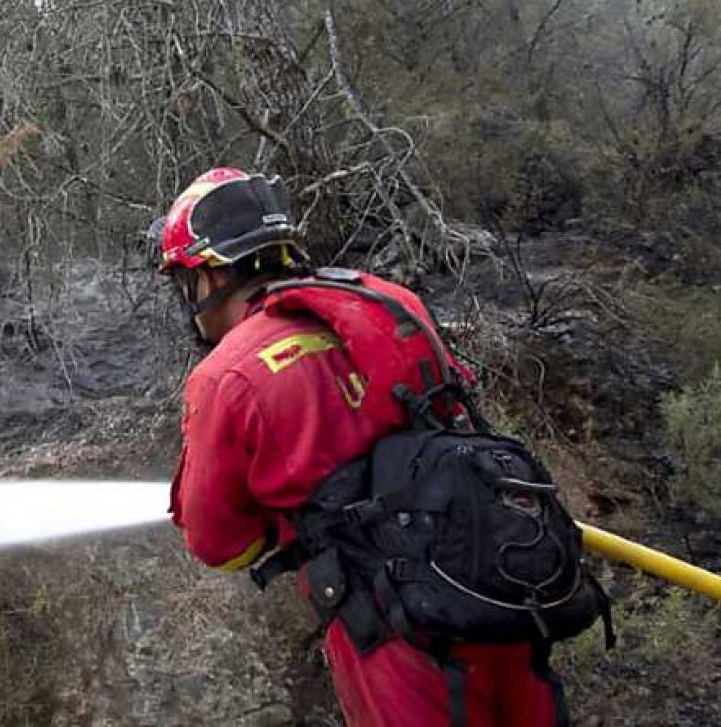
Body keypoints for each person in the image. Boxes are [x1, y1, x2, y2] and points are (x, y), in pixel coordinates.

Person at [153, 167, 568, 727]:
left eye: (185, 280)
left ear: (206, 276)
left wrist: (281, 525)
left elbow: (218, 543)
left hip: (394, 630)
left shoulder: (227, 376)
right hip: (499, 594)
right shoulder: (386, 302)